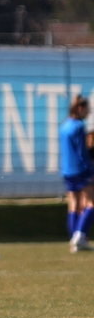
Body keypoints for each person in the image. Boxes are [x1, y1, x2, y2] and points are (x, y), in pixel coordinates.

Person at [61, 95, 94, 252]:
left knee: (73, 204)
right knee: (91, 203)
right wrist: (90, 170)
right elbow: (82, 152)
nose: (89, 112)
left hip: (67, 170)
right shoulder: (79, 126)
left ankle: (74, 239)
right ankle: (80, 236)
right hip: (80, 169)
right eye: (88, 109)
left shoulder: (64, 125)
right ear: (80, 109)